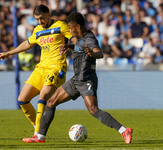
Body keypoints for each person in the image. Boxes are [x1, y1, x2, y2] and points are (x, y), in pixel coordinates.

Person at [22, 12, 133, 144]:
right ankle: (40, 137)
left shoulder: (89, 39)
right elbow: (79, 47)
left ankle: (124, 130)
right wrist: (69, 47)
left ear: (78, 27)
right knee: (51, 102)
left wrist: (93, 53)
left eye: (71, 28)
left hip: (86, 79)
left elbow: (99, 53)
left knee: (93, 110)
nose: (69, 31)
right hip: (76, 80)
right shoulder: (80, 38)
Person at [0, 4, 75, 138]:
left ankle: (38, 134)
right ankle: (38, 125)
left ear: (48, 14)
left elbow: (75, 39)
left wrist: (70, 46)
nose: (40, 21)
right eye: (37, 19)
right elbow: (28, 43)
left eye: (42, 18)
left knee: (43, 96)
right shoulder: (37, 29)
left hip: (56, 67)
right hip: (41, 68)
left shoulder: (61, 25)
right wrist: (9, 53)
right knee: (22, 99)